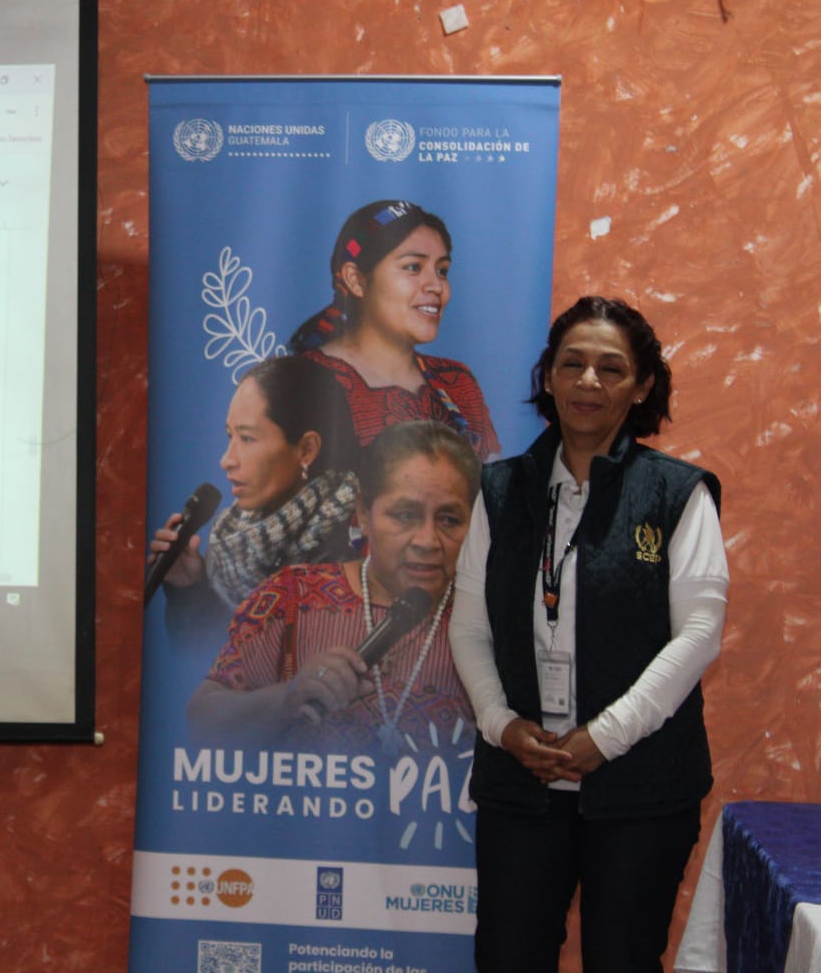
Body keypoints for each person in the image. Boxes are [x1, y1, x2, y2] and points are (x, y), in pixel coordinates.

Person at [449, 296, 728, 972]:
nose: (588, 381)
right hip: (522, 780)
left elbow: (699, 631)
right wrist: (501, 724)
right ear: (548, 377)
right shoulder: (501, 490)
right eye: (571, 364)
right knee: (508, 958)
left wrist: (605, 737)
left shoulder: (675, 494)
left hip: (641, 788)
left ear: (643, 386)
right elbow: (470, 623)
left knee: (622, 960)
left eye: (611, 368)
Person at [187, 420, 479, 751]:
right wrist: (286, 698)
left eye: (449, 520)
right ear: (363, 515)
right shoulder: (291, 596)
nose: (427, 541)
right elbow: (200, 723)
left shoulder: (488, 618)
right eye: (405, 515)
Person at [147, 355, 361, 649]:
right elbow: (203, 664)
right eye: (229, 436)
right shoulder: (229, 545)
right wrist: (189, 590)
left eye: (247, 439)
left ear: (306, 449)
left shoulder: (354, 555)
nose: (226, 460)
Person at [288, 199, 500, 461]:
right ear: (355, 279)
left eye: (442, 270)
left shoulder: (458, 384)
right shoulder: (304, 386)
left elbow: (493, 478)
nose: (436, 286)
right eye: (413, 267)